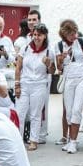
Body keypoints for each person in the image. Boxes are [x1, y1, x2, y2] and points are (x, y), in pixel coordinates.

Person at [15, 23, 55, 151]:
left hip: (39, 85)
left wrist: (49, 64)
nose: (36, 37)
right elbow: (18, 67)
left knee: (35, 114)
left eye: (39, 35)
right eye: (35, 35)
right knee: (19, 113)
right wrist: (17, 84)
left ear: (45, 36)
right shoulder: (25, 48)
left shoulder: (49, 51)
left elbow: (53, 71)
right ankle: (17, 139)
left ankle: (33, 140)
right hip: (24, 84)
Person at [56, 19, 83, 154]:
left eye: (75, 32)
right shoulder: (58, 45)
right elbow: (59, 68)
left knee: (76, 110)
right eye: (71, 34)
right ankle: (70, 139)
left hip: (82, 78)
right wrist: (61, 58)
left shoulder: (82, 41)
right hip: (68, 79)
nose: (74, 36)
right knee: (69, 111)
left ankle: (74, 142)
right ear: (64, 34)